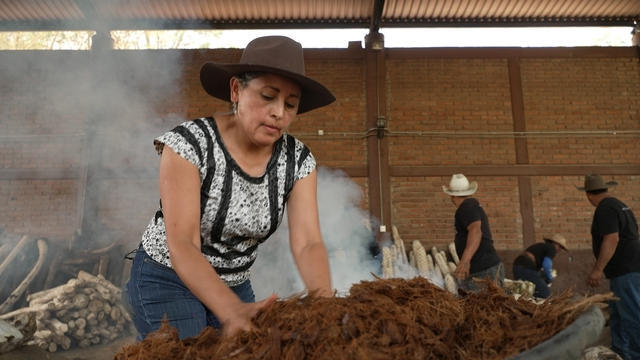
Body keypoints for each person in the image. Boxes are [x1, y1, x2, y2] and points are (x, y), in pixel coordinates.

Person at [125, 36, 335, 341]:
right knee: (190, 348)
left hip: (234, 283)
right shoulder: (189, 145)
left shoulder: (298, 160)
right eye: (267, 96)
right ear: (236, 90)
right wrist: (231, 310)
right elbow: (183, 243)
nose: (279, 112)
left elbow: (307, 243)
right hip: (168, 276)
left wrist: (324, 305)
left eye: (291, 105)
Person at [579, 174, 640, 360]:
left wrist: (597, 269)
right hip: (626, 268)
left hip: (625, 269)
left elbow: (612, 238)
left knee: (630, 314)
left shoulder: (605, 208)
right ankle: (621, 352)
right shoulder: (621, 206)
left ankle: (635, 354)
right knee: (618, 312)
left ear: (588, 195)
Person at [442, 174, 504, 291]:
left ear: (453, 196)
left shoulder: (466, 207)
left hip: (484, 271)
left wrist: (465, 260)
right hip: (485, 269)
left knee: (482, 307)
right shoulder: (472, 206)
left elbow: (476, 231)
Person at [512, 234, 568, 298]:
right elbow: (546, 265)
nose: (560, 250)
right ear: (555, 243)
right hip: (527, 268)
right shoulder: (552, 248)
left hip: (517, 267)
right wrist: (549, 277)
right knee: (545, 293)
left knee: (525, 290)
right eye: (560, 247)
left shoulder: (542, 246)